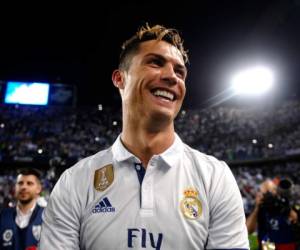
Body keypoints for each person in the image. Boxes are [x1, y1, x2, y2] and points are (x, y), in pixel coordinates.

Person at [39, 23, 249, 250]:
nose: (172, 77)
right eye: (155, 62)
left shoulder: (215, 178)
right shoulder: (74, 182)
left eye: (180, 72)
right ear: (120, 79)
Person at [246, 178, 299, 250]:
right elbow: (248, 230)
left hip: (287, 244)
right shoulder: (260, 207)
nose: (269, 196)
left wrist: (282, 206)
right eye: (265, 193)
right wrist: (257, 208)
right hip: (268, 243)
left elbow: (296, 218)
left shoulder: (285, 204)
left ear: (277, 191)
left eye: (271, 192)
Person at [0, 168, 44, 250]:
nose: (24, 187)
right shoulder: (2, 215)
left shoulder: (48, 217)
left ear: (38, 189)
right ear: (15, 187)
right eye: (20, 183)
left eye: (29, 183)